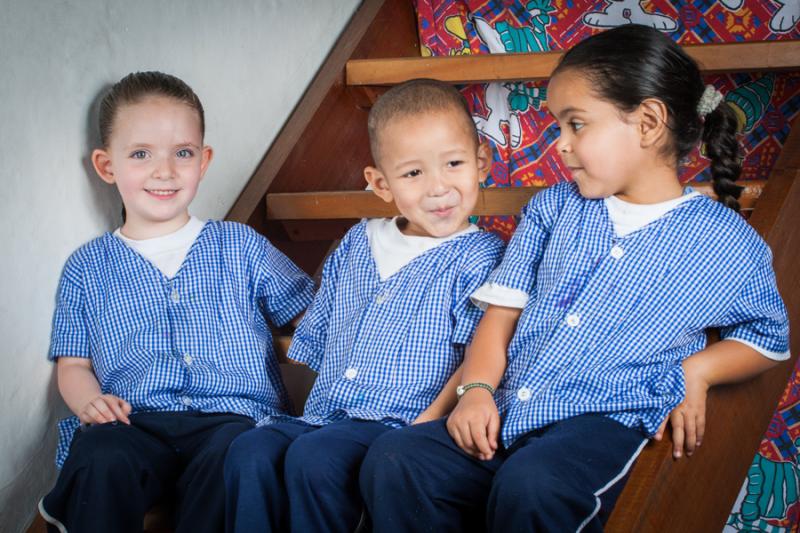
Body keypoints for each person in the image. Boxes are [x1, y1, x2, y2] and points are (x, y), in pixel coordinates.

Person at [359, 25, 790, 533]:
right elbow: (500, 317)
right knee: (398, 457)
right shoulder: (553, 209)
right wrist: (475, 389)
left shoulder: (726, 242)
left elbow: (768, 339)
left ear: (648, 122)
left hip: (601, 425)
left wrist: (698, 372)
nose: (560, 145)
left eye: (576, 125)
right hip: (509, 409)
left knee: (536, 486)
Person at [224, 79, 505, 533]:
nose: (438, 188)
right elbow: (321, 328)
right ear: (380, 183)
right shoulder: (358, 241)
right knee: (249, 450)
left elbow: (477, 355)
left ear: (481, 164)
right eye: (413, 174)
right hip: (326, 413)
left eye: (453, 164)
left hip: (400, 422)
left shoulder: (481, 256)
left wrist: (425, 426)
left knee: (315, 458)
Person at [38, 71, 315, 533]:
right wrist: (90, 402)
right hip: (135, 421)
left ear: (203, 161)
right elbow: (74, 365)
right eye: (141, 154)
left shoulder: (239, 246)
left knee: (238, 456)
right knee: (100, 454)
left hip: (233, 417)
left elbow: (309, 315)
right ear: (107, 166)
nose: (164, 171)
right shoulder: (87, 267)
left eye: (182, 153)